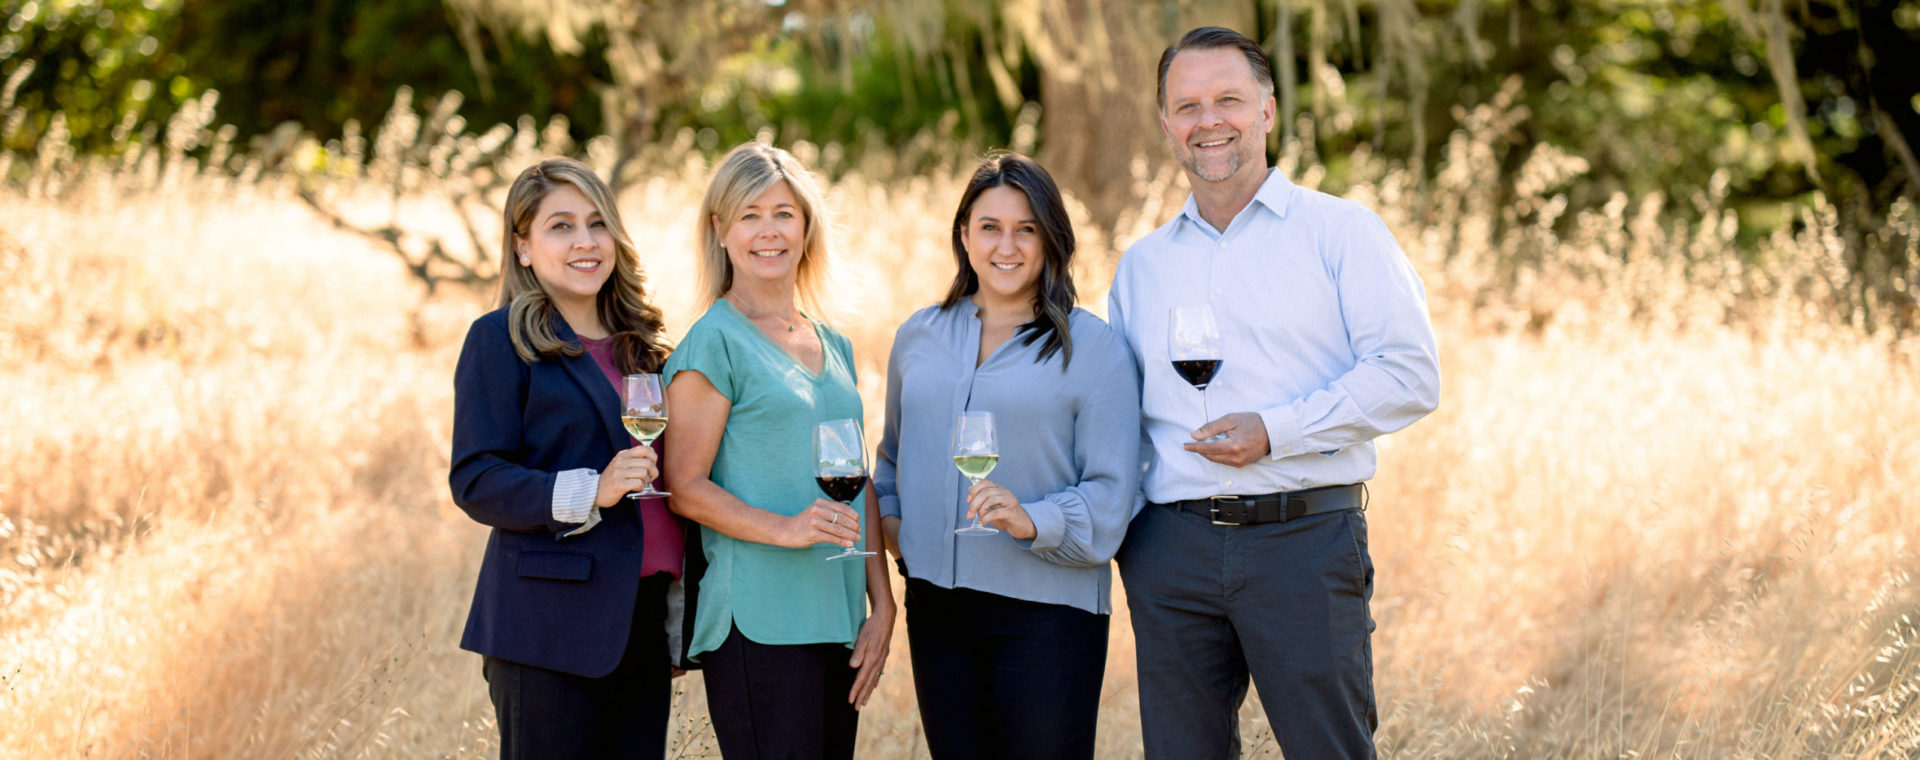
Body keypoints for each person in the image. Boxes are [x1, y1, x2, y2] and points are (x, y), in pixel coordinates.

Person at [1107, 26, 1443, 760]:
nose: (1209, 121)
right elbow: (1117, 415)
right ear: (1167, 125)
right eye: (1188, 106)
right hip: (1171, 551)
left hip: (1303, 542)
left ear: (1266, 110)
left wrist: (1276, 429)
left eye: (1228, 98)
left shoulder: (1342, 233)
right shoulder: (1143, 266)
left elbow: (1411, 375)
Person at [872, 152, 1141, 760]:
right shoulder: (920, 335)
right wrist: (896, 530)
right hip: (936, 610)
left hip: (1048, 615)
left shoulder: (1094, 349)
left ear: (1052, 239)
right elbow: (891, 458)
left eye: (1026, 228)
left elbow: (1113, 494)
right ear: (964, 235)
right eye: (989, 227)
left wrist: (1032, 519)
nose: (1007, 246)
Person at [661, 141, 895, 760]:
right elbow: (684, 486)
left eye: (784, 213)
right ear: (721, 229)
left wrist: (881, 600)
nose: (769, 231)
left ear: (807, 225)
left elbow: (858, 476)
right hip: (758, 620)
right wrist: (786, 529)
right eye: (750, 215)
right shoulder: (713, 344)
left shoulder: (834, 345)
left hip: (837, 614)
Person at [448, 157, 684, 759]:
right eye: (561, 226)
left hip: (641, 619)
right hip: (547, 626)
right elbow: (476, 477)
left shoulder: (650, 349)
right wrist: (589, 490)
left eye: (597, 223)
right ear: (523, 246)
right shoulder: (499, 339)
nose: (585, 242)